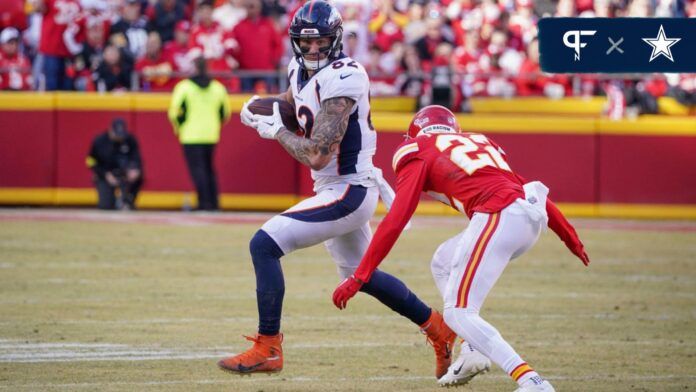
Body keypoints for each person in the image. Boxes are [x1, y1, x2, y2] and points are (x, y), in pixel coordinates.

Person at [217, 1, 457, 379]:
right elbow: (295, 105)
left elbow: (316, 153)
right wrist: (262, 107)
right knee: (363, 276)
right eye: (306, 43)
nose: (313, 50)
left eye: (322, 42)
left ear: (337, 39)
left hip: (350, 189)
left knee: (263, 245)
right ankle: (438, 329)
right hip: (333, 187)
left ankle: (268, 347)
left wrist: (274, 131)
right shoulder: (298, 68)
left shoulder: (346, 75)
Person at [332, 105, 590, 391]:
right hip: (527, 217)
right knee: (442, 260)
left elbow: (396, 219)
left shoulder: (417, 149)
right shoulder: (477, 141)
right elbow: (522, 185)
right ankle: (472, 349)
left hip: (498, 215)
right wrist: (570, 237)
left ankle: (532, 381)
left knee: (457, 312)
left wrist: (360, 275)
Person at [167, 56, 230, 211]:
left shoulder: (184, 87)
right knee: (209, 169)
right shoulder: (217, 87)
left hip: (190, 135)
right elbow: (225, 113)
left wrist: (180, 127)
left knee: (198, 171)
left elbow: (175, 113)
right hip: (211, 135)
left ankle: (204, 203)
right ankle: (213, 203)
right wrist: (215, 126)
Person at [86, 118, 143, 210]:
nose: (119, 137)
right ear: (110, 130)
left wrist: (134, 169)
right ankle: (115, 202)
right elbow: (90, 161)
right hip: (105, 175)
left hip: (124, 175)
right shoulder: (100, 141)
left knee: (139, 177)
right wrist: (105, 174)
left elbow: (137, 158)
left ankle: (128, 201)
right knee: (106, 206)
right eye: (117, 134)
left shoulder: (130, 140)